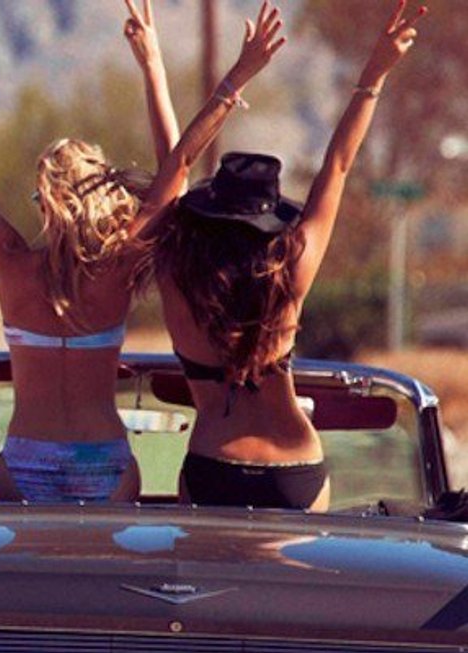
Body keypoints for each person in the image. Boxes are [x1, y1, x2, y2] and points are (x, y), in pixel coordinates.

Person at [0, 0, 286, 502]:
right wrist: (204, 73)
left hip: (24, 465)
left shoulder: (12, 262)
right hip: (106, 466)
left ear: (47, 204)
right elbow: (180, 163)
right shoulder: (119, 267)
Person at [148, 1, 427, 511]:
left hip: (214, 460)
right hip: (296, 468)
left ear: (206, 212)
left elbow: (176, 166)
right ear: (270, 220)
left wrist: (225, 77)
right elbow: (337, 165)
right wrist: (374, 75)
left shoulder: (178, 278)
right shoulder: (291, 270)